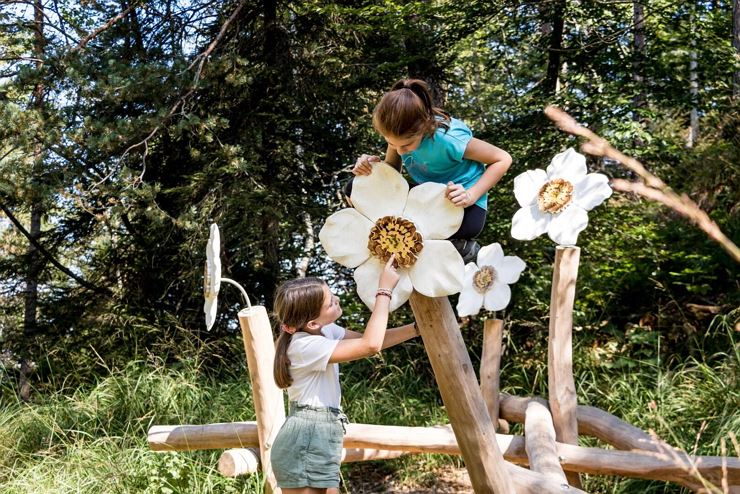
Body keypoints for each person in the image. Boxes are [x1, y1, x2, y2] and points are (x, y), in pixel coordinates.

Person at [270, 254, 418, 494]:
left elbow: (369, 339)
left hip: (321, 433)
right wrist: (384, 291)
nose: (336, 299)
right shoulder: (303, 345)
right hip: (307, 437)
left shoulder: (325, 331)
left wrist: (416, 329)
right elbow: (370, 346)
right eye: (330, 303)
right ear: (312, 324)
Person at [348, 78, 512, 263]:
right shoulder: (399, 132)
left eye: (407, 145)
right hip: (425, 198)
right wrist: (371, 167)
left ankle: (460, 248)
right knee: (353, 186)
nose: (399, 151)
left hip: (461, 203)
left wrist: (470, 195)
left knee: (467, 227)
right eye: (392, 144)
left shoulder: (449, 139)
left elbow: (502, 159)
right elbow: (392, 171)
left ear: (424, 127)